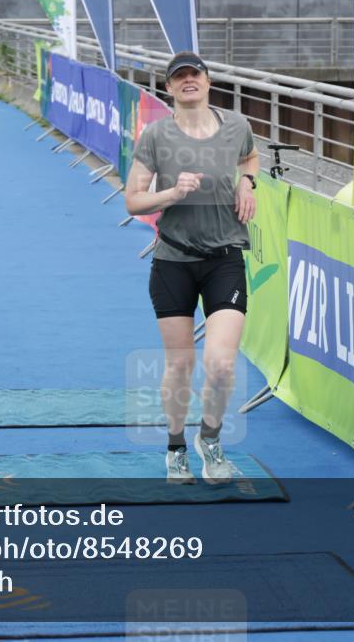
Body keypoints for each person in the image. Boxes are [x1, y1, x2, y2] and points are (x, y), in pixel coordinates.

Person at [124, 52, 260, 485]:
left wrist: (247, 181)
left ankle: (212, 439)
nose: (188, 82)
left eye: (194, 75)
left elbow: (250, 158)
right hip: (173, 260)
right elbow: (132, 199)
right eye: (178, 77)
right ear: (168, 88)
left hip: (225, 259)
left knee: (220, 365)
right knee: (180, 365)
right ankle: (177, 446)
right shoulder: (156, 136)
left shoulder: (237, 126)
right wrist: (169, 194)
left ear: (208, 81)